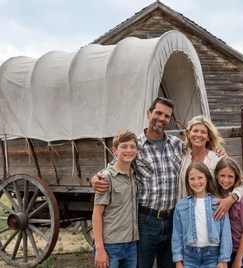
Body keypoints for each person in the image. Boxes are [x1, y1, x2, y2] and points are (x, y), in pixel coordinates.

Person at [91, 97, 227, 268]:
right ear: (149, 114)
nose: (162, 118)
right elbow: (113, 168)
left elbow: (200, 152)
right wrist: (94, 179)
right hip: (146, 221)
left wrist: (220, 154)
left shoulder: (177, 145)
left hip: (172, 220)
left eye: (166, 116)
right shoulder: (135, 146)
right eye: (158, 113)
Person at [178, 115, 243, 220]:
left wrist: (230, 199)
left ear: (208, 137)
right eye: (195, 131)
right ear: (189, 134)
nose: (198, 135)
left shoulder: (217, 159)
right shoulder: (182, 157)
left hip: (211, 215)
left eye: (203, 132)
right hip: (186, 214)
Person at [92, 130, 139, 268]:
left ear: (137, 150)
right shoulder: (106, 177)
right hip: (110, 245)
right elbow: (97, 214)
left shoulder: (135, 176)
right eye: (124, 146)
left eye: (132, 147)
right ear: (115, 150)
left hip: (131, 245)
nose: (128, 150)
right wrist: (100, 248)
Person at [172, 162, 232, 267]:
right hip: (189, 256)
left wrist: (224, 260)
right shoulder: (181, 205)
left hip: (212, 256)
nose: (196, 182)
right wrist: (178, 260)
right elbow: (177, 234)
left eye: (200, 177)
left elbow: (225, 233)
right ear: (187, 181)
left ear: (207, 179)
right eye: (192, 179)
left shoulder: (218, 204)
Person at [215, 158, 243, 268]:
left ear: (236, 177)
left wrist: (238, 260)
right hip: (225, 249)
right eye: (222, 176)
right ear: (216, 176)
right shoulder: (216, 196)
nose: (226, 180)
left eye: (230, 176)